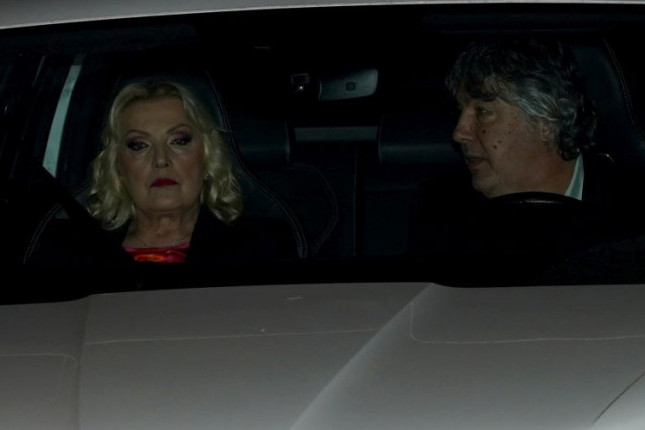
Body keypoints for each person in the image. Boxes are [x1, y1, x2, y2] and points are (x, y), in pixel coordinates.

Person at [408, 36, 643, 285]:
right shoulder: (443, 208)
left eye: (483, 111)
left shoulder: (633, 207)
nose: (459, 133)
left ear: (546, 123)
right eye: (460, 111)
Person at [27, 80, 298, 272]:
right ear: (118, 165)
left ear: (206, 156)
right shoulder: (65, 253)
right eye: (139, 145)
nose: (160, 160)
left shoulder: (263, 248)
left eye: (178, 141)